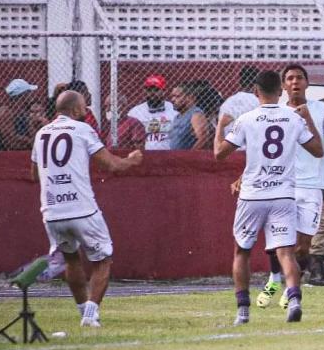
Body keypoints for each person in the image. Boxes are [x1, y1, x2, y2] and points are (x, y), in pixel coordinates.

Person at [214, 69, 323, 326]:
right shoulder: (293, 118)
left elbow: (219, 154)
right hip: (284, 193)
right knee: (286, 251)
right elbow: (318, 150)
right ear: (281, 91)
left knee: (242, 251)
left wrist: (220, 125)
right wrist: (309, 121)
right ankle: (294, 299)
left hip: (253, 194)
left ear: (255, 92)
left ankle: (243, 310)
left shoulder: (246, 119)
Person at [31, 89, 142, 329]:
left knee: (72, 259)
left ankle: (84, 312)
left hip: (51, 211)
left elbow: (34, 174)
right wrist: (132, 160)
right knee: (103, 260)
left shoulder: (41, 133)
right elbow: (112, 165)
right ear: (74, 110)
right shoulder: (82, 130)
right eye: (84, 106)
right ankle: (91, 314)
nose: (87, 109)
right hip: (82, 208)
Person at [276, 64, 324, 305]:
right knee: (283, 240)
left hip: (313, 185)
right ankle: (285, 283)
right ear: (283, 85)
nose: (295, 82)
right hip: (283, 184)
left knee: (304, 246)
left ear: (307, 83)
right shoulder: (275, 111)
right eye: (289, 79)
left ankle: (290, 281)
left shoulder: (321, 109)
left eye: (299, 78)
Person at [127, 74, 176, 150]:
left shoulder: (173, 109)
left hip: (170, 153)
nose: (152, 93)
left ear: (164, 91)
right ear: (145, 91)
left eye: (156, 90)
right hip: (144, 154)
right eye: (149, 90)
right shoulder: (135, 112)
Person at [168, 82, 210, 149]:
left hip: (186, 157)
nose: (172, 100)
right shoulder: (177, 117)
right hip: (174, 157)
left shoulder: (196, 114)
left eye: (177, 96)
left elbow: (203, 139)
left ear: (190, 97)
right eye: (172, 96)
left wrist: (188, 156)